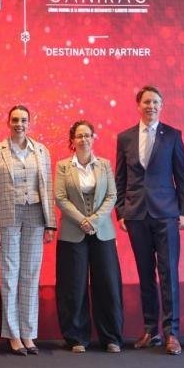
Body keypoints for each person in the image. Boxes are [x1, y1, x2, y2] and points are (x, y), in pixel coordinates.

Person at [115, 85, 184, 355]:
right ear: (138, 105)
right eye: (147, 102)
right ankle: (151, 330)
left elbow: (181, 176)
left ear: (161, 105)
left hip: (167, 214)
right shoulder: (125, 137)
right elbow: (120, 178)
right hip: (136, 214)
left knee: (168, 273)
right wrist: (121, 212)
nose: (151, 106)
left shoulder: (172, 135)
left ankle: (172, 333)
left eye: (156, 102)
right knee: (145, 274)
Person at [0, 105, 56, 355]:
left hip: (35, 216)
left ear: (29, 122)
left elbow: (47, 189)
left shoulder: (41, 151)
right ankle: (13, 334)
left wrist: (50, 223)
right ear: (8, 122)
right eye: (15, 120)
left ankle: (28, 333)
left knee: (30, 276)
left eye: (23, 120)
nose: (19, 124)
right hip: (8, 217)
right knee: (9, 275)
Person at [54, 120, 123, 354]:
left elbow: (112, 195)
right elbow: (60, 197)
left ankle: (111, 337)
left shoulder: (104, 165)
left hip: (102, 231)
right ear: (72, 140)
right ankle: (77, 338)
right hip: (72, 232)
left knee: (108, 283)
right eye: (79, 136)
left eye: (87, 135)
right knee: (73, 285)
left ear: (93, 138)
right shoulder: (63, 166)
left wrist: (93, 221)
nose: (83, 139)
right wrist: (82, 221)